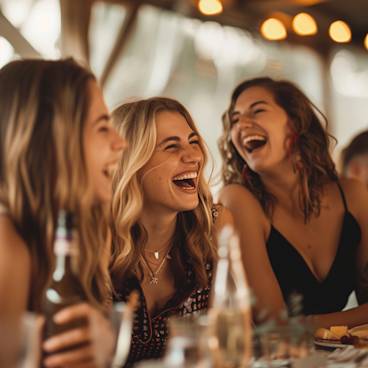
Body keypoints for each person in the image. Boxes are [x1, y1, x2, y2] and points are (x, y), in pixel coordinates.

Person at [0, 58, 126, 367]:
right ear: (54, 142)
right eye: (101, 127)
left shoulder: (73, 234)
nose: (120, 142)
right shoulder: (6, 245)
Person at [218, 77, 368, 328]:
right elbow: (273, 327)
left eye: (258, 110)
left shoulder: (354, 196)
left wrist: (307, 325)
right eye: (235, 119)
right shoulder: (238, 200)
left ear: (295, 122)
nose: (242, 124)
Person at [110, 97, 233, 365]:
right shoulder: (96, 237)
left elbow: (219, 351)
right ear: (132, 161)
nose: (193, 156)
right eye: (171, 146)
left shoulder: (215, 226)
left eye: (193, 142)